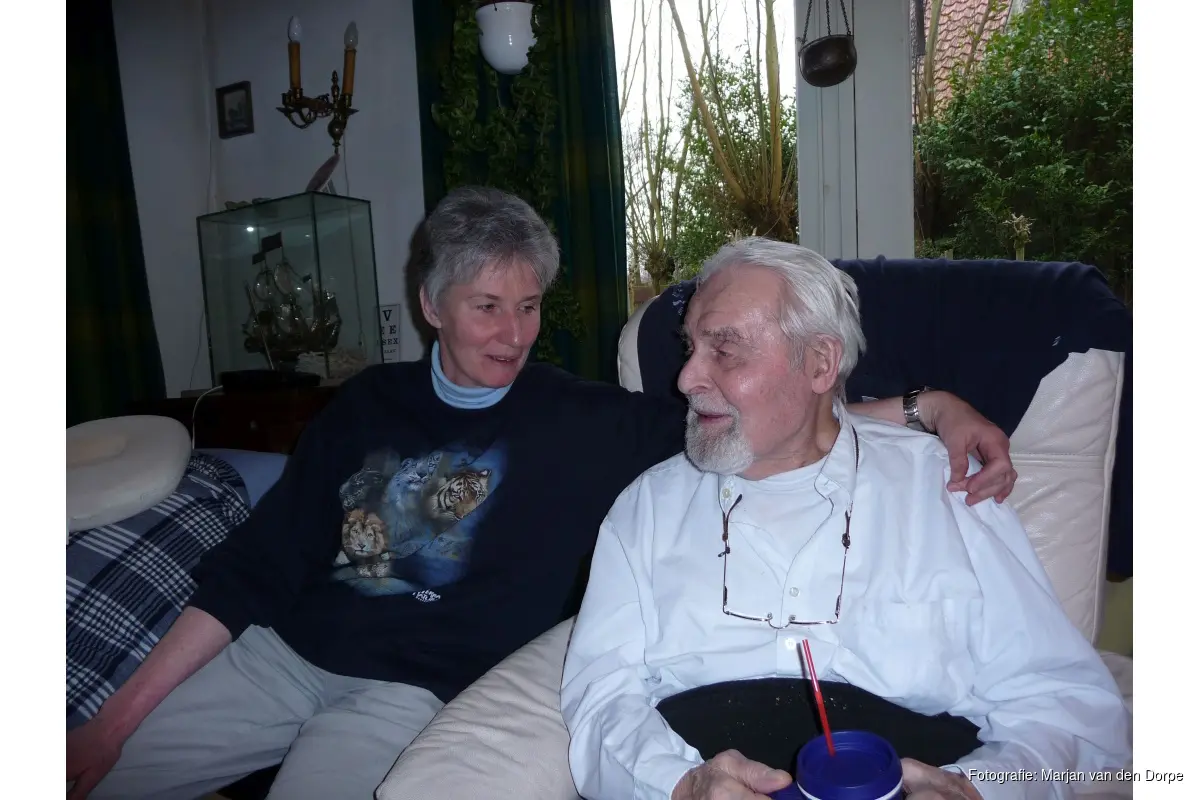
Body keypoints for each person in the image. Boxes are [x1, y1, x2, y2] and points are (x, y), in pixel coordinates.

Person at [66, 188, 1017, 800]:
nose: (514, 334)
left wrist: (929, 408)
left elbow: (768, 415)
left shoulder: (582, 420)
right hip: (283, 655)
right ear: (431, 305)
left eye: (528, 307)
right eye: (487, 307)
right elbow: (253, 569)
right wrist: (110, 725)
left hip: (405, 698)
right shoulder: (363, 406)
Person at [560, 238, 1131, 800]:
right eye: (691, 347)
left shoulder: (946, 491)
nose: (686, 378)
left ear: (820, 363)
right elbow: (601, 696)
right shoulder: (649, 508)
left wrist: (974, 788)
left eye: (725, 350)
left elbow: (1067, 709)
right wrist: (679, 784)